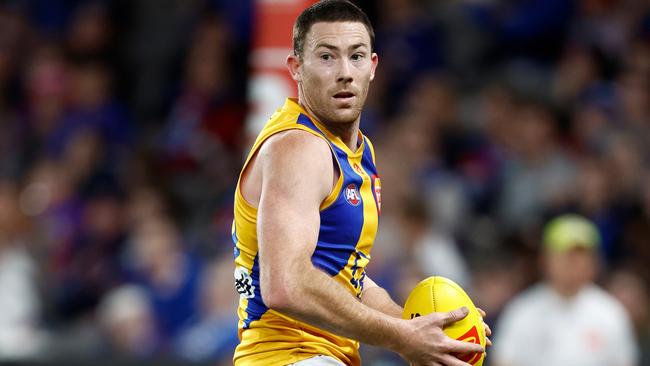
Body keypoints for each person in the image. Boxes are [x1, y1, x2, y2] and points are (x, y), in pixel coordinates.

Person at [231, 1, 487, 365]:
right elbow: (285, 284)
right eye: (326, 57)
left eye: (356, 56)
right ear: (296, 68)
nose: (344, 72)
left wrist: (426, 330)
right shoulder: (298, 147)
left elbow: (346, 277)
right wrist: (402, 337)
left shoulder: (357, 151)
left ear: (373, 67)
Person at [492, 214, 639, 366]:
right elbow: (503, 360)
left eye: (582, 256)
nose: (576, 264)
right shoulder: (522, 311)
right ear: (545, 259)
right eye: (567, 256)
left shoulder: (610, 313)